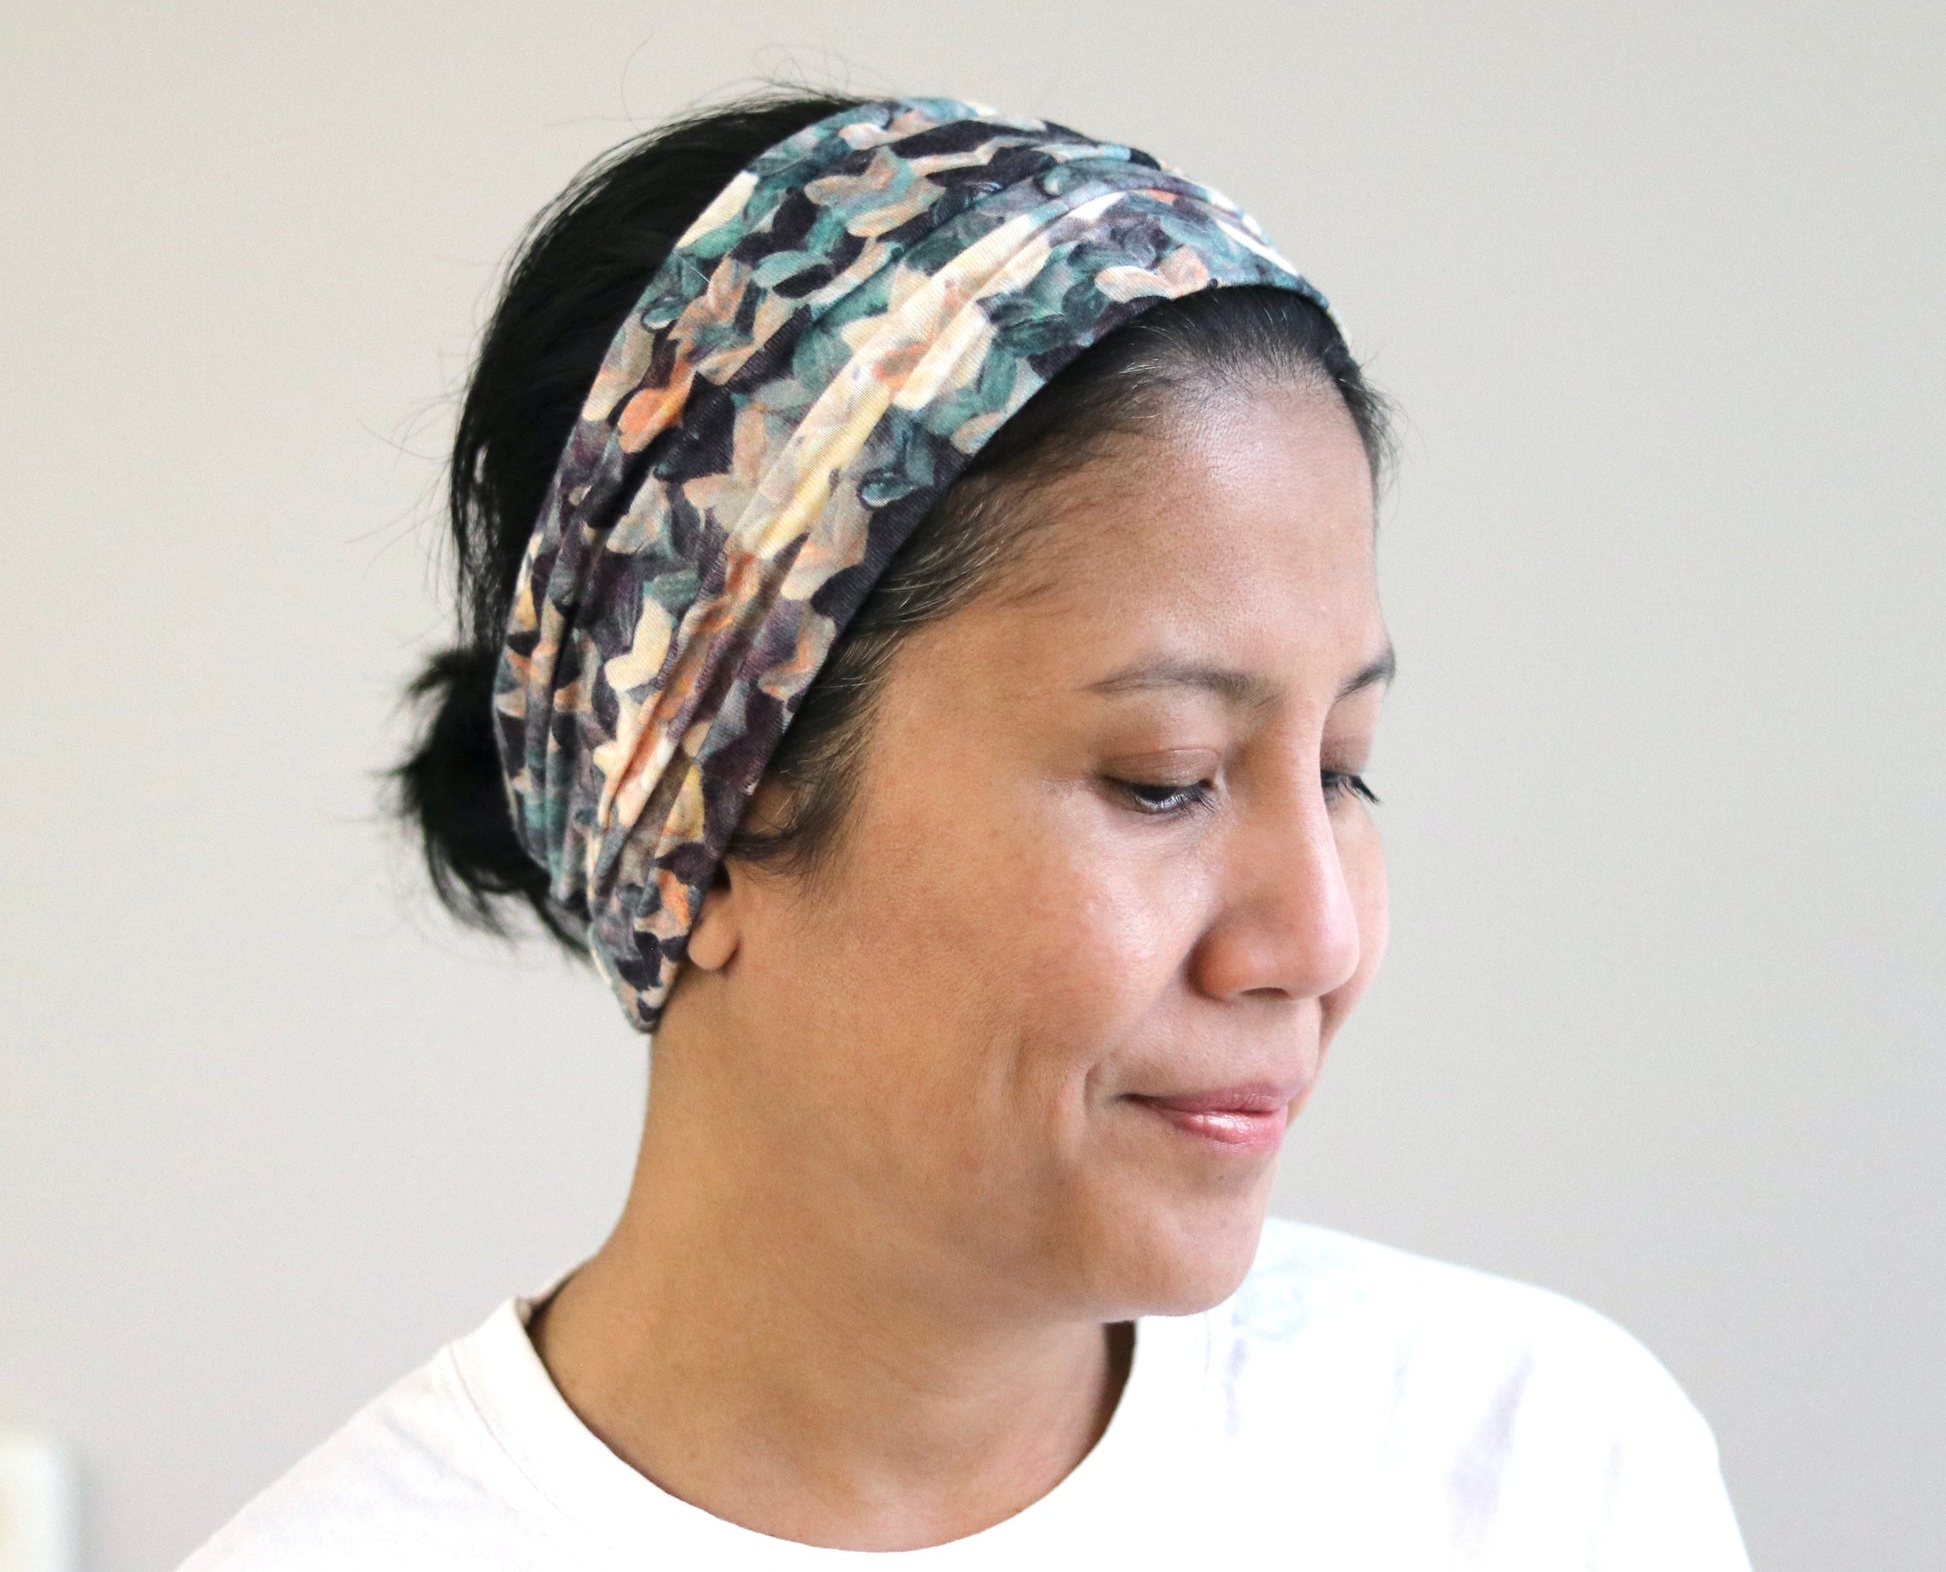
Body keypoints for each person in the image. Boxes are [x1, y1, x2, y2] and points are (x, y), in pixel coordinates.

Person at [181, 93, 1751, 1568]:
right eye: (1164, 777)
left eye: (1342, 768)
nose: (1319, 937)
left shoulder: (1533, 1473)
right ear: (715, 819)